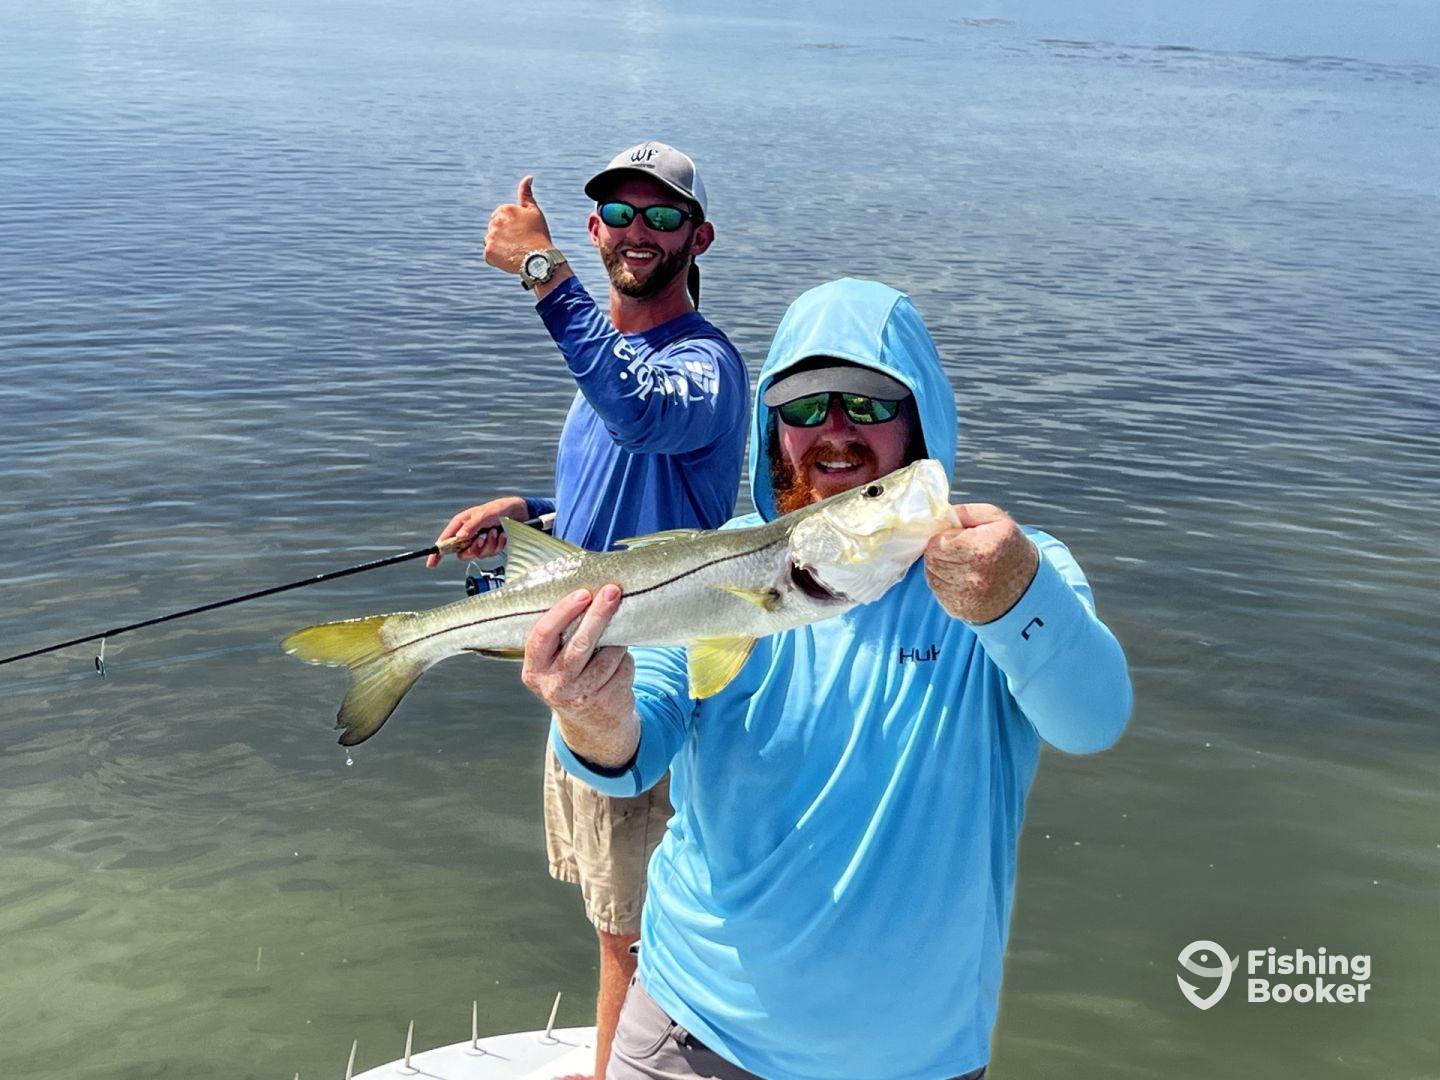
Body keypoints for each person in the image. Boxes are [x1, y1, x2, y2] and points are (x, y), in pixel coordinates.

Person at [518, 278, 1133, 1080]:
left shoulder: (1016, 568)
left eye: (868, 405)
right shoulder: (728, 559)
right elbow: (632, 751)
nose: (834, 432)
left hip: (913, 1059)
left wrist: (1015, 600)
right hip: (690, 1028)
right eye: (804, 409)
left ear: (921, 421)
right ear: (773, 433)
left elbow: (1093, 720)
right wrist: (588, 710)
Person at [427, 142, 749, 1078]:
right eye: (620, 212)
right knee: (612, 915)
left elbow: (643, 416)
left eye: (663, 214)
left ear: (701, 236)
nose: (638, 231)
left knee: (635, 929)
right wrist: (529, 517)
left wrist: (541, 271)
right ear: (596, 227)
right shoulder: (616, 362)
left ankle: (617, 1071)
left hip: (645, 679)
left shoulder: (703, 365)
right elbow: (624, 505)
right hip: (582, 670)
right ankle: (615, 1060)